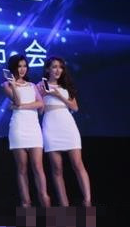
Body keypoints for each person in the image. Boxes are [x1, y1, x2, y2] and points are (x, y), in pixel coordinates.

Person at [38, 56, 91, 206]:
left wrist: (59, 95)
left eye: (60, 67)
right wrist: (42, 96)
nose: (58, 70)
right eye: (54, 67)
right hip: (50, 125)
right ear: (47, 69)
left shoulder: (66, 86)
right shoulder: (40, 86)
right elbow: (40, 111)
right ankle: (64, 206)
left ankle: (87, 201)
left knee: (77, 163)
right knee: (57, 168)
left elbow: (75, 107)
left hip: (67, 125)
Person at [2, 54, 50, 207]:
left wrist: (21, 106)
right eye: (19, 66)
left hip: (33, 128)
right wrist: (14, 86)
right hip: (18, 127)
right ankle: (26, 204)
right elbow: (17, 101)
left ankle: (45, 200)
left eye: (24, 66)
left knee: (38, 166)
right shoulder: (6, 85)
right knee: (22, 168)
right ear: (13, 68)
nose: (22, 69)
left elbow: (40, 104)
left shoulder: (32, 85)